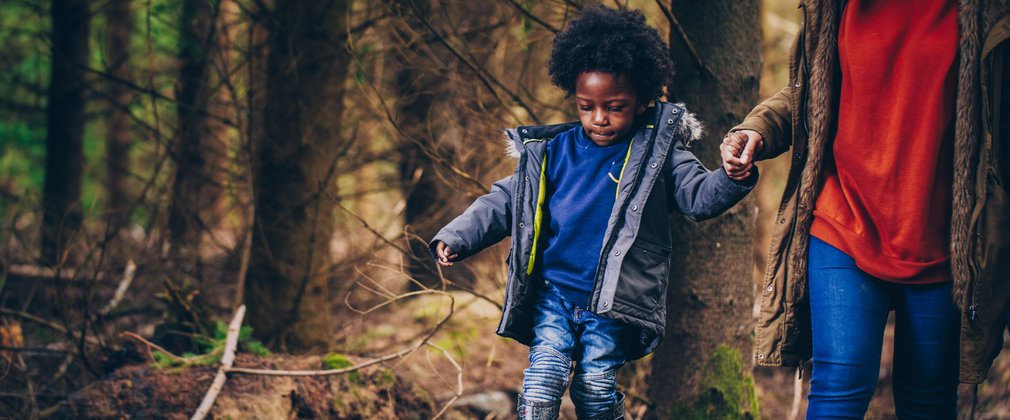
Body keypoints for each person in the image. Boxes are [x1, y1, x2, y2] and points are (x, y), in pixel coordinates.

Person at [428, 6, 757, 419]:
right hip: (554, 293)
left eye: (615, 107)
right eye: (587, 106)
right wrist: (457, 236)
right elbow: (504, 200)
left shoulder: (661, 156)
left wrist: (732, 175)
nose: (599, 118)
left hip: (614, 301)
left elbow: (699, 197)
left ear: (642, 101)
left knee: (595, 388)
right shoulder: (553, 153)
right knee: (543, 377)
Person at [722, 0, 1010, 418]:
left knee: (928, 400)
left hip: (945, 237)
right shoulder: (835, 6)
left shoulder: (988, 11)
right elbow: (811, 89)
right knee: (838, 390)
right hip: (843, 220)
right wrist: (758, 128)